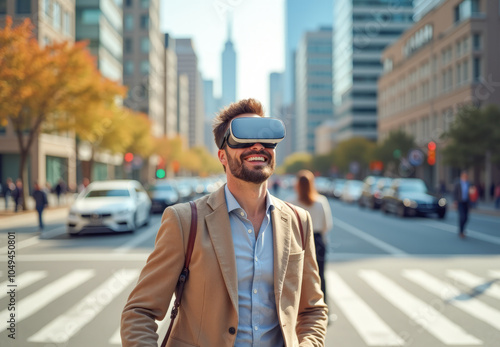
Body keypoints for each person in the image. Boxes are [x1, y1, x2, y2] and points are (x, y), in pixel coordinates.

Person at [121, 99, 328, 346]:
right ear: (222, 155)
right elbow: (139, 312)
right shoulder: (184, 221)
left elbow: (313, 310)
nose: (258, 146)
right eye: (243, 139)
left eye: (265, 139)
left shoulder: (298, 220)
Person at [289, 170, 333, 309]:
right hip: (317, 241)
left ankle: (300, 309)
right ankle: (322, 310)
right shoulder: (321, 201)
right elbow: (327, 225)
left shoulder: (291, 202)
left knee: (298, 277)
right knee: (319, 276)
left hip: (298, 241)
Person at [453, 170, 470, 238]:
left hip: (466, 202)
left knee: (466, 217)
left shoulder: (468, 183)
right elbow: (454, 192)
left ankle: (463, 229)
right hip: (460, 202)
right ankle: (461, 231)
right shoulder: (458, 183)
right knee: (462, 217)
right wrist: (455, 201)